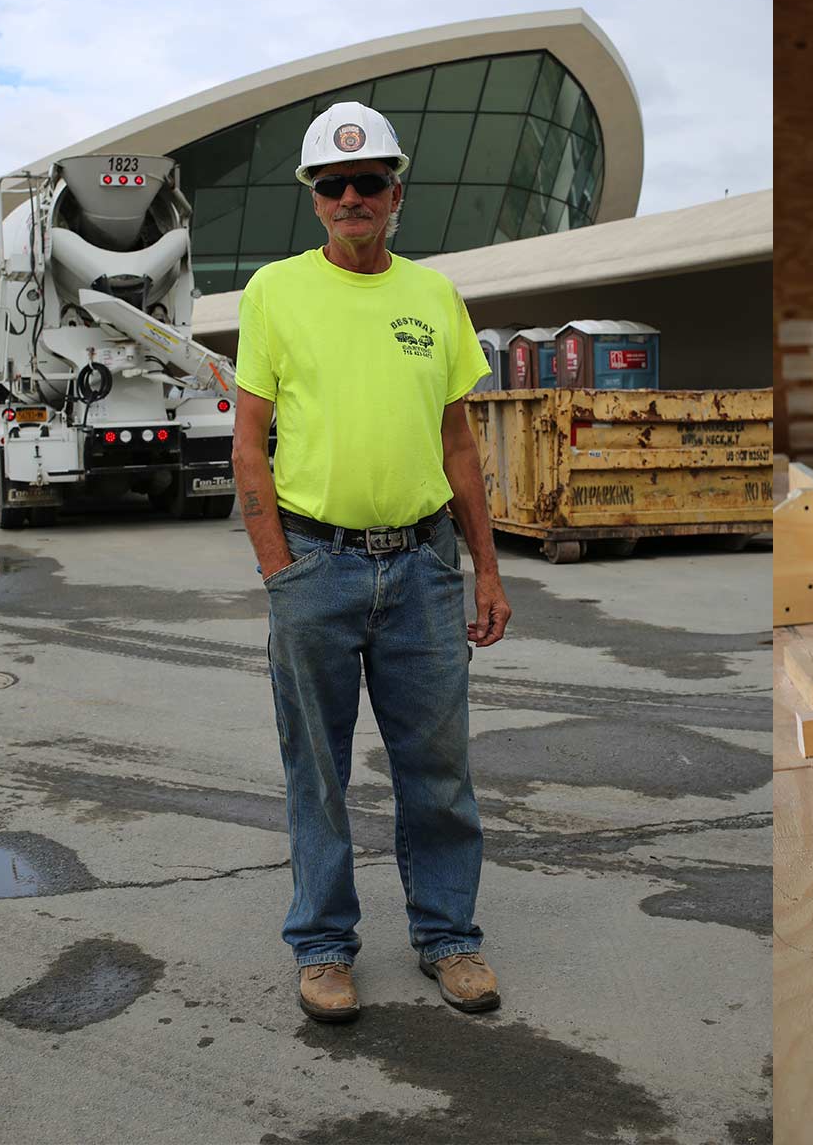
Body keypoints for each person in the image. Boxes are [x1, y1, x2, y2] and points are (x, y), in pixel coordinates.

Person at [231, 101, 512, 1023]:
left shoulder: (435, 299)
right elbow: (249, 441)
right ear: (314, 201)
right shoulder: (275, 291)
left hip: (424, 569)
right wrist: (280, 569)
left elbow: (459, 445)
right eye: (333, 185)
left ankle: (450, 940)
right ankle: (322, 948)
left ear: (397, 194)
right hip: (317, 566)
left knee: (439, 770)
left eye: (369, 182)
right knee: (318, 770)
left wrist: (487, 569)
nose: (352, 197)